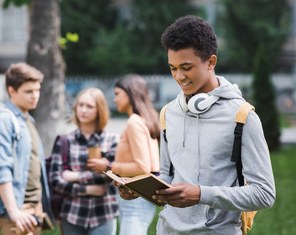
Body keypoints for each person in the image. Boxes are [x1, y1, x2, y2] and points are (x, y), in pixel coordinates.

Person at [118, 15, 276, 234]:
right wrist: (139, 188)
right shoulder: (168, 113)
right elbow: (168, 176)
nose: (179, 76)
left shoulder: (243, 117)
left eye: (186, 67)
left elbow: (264, 194)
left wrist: (201, 194)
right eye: (173, 68)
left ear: (211, 62)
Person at [0, 63, 54, 234]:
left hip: (33, 209)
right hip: (16, 211)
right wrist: (14, 211)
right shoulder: (3, 120)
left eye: (37, 90)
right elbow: (2, 169)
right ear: (12, 91)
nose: (35, 96)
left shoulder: (27, 119)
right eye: (29, 91)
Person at [49, 88, 119, 235]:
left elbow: (113, 174)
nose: (83, 110)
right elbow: (56, 181)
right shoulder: (64, 141)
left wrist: (76, 176)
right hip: (72, 214)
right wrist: (88, 189)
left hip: (104, 213)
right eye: (80, 105)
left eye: (89, 106)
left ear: (99, 110)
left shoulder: (112, 140)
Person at [110, 74, 160, 235]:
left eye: (117, 94)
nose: (115, 99)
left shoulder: (134, 122)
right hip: (142, 195)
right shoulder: (144, 119)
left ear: (130, 93)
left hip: (135, 195)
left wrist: (112, 167)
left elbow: (142, 166)